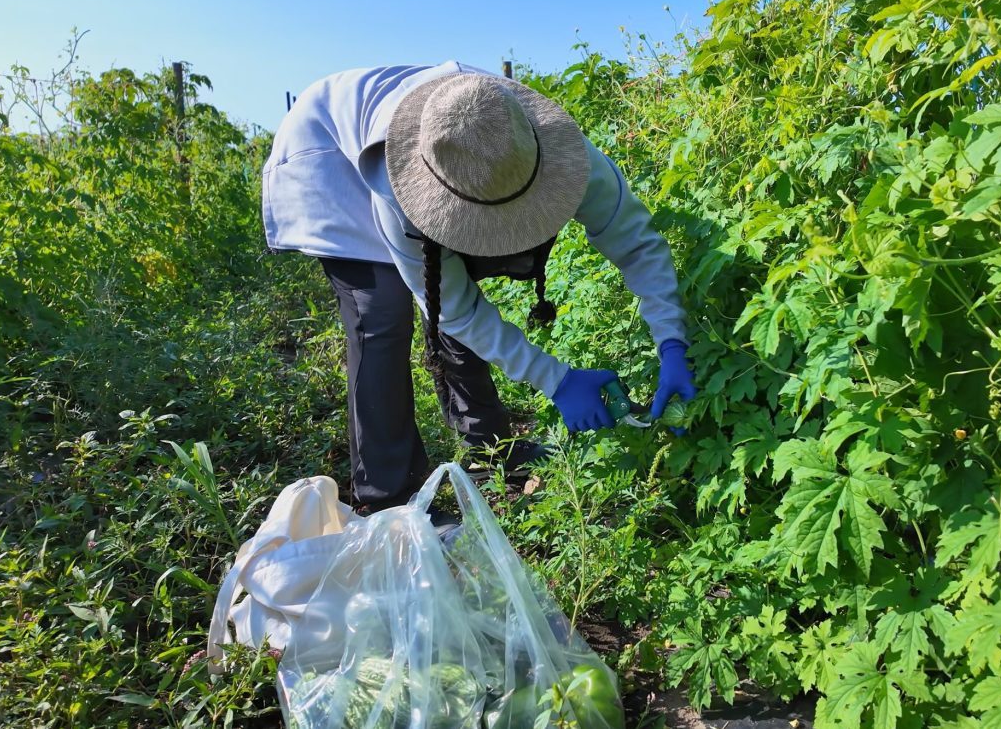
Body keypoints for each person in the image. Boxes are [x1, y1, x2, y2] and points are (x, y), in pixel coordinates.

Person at [262, 61, 697, 512]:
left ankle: (490, 449)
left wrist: (671, 345)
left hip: (441, 152)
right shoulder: (403, 196)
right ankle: (389, 500)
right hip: (327, 156)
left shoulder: (549, 147)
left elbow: (638, 244)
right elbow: (455, 309)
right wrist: (558, 380)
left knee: (450, 280)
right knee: (382, 315)